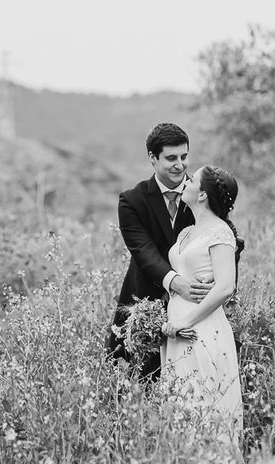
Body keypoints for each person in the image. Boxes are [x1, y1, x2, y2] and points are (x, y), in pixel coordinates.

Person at [106, 123, 212, 380]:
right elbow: (143, 251)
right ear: (152, 158)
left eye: (184, 157)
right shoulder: (132, 200)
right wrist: (176, 283)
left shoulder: (202, 194)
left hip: (197, 305)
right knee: (136, 383)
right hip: (144, 302)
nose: (180, 165)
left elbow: (226, 237)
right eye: (171, 158)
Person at [161, 165, 244, 449]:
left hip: (201, 329)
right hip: (177, 330)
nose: (186, 181)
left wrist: (187, 321)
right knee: (181, 410)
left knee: (205, 408)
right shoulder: (187, 232)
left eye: (193, 179)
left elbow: (225, 286)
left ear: (203, 194)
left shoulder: (220, 232)